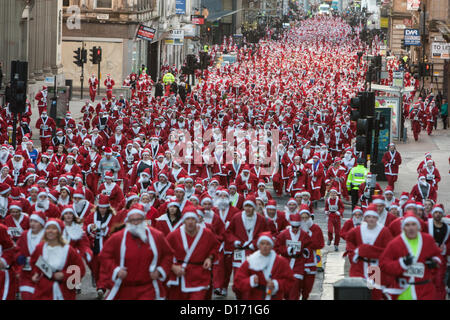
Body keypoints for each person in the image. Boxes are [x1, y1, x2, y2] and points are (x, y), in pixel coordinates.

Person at [99, 204, 174, 300]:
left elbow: (168, 254)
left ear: (144, 220)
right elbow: (105, 256)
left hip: (148, 288)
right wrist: (116, 270)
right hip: (124, 288)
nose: (136, 223)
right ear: (128, 221)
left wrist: (160, 270)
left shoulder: (157, 236)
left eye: (139, 219)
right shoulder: (117, 238)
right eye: (132, 220)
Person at [380, 212, 443, 300]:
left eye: (413, 224)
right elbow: (383, 264)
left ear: (418, 227)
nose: (411, 228)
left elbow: (438, 255)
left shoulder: (428, 240)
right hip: (403, 291)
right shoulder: (394, 243)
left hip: (425, 289)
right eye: (407, 225)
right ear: (403, 228)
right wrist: (402, 263)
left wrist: (434, 262)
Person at [166, 206, 219, 300]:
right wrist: (173, 267)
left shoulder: (207, 234)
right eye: (187, 219)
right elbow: (163, 253)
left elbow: (214, 247)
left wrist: (209, 258)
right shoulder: (174, 235)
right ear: (183, 220)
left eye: (193, 219)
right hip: (180, 276)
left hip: (200, 275)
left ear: (197, 220)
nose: (190, 222)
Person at [345, 203, 393, 299]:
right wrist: (354, 253)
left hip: (375, 268)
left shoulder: (383, 231)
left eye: (374, 217)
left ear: (377, 218)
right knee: (358, 292)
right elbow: (349, 240)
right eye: (368, 217)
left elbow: (389, 249)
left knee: (374, 293)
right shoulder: (357, 230)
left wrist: (368, 250)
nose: (371, 219)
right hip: (359, 265)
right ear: (365, 218)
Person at [29, 218, 86, 300]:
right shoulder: (40, 248)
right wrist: (36, 273)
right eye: (48, 228)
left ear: (59, 232)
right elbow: (34, 262)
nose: (50, 231)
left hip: (64, 290)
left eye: (54, 228)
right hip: (44, 289)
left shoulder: (69, 250)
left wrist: (65, 275)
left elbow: (80, 269)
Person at [234, 232, 295, 300]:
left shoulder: (281, 262)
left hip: (275, 297)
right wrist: (251, 281)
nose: (265, 246)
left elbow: (290, 280)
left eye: (268, 244)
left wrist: (276, 284)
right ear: (259, 245)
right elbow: (238, 281)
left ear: (272, 246)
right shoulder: (250, 261)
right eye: (262, 243)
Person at [275, 210, 312, 300]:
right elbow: (277, 247)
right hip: (286, 262)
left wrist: (306, 251)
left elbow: (309, 245)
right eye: (293, 227)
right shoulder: (284, 234)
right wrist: (287, 250)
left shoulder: (304, 234)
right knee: (286, 290)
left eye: (297, 227)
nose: (295, 229)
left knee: (295, 288)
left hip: (298, 263)